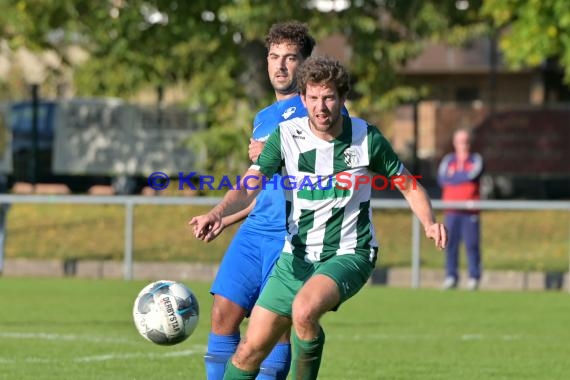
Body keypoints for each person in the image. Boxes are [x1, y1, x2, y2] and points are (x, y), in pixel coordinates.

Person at [190, 55, 447, 380]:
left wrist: (429, 222)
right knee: (248, 352)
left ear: (341, 99)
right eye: (313, 98)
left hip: (349, 252)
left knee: (304, 309)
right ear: (302, 99)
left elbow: (408, 185)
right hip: (295, 256)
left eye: (328, 98)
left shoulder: (366, 138)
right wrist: (217, 213)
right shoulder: (285, 136)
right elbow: (249, 184)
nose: (321, 106)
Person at [200, 21, 316, 380]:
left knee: (271, 331)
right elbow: (261, 185)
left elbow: (328, 171)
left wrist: (280, 151)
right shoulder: (263, 118)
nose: (280, 66)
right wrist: (224, 216)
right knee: (222, 312)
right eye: (273, 56)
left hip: (294, 237)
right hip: (255, 231)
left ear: (305, 65)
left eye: (290, 58)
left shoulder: (321, 108)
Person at [437, 128, 483, 291]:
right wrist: (461, 177)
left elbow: (472, 175)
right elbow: (442, 179)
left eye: (466, 142)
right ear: (455, 143)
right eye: (460, 142)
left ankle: (474, 277)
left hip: (470, 212)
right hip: (451, 211)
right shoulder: (448, 160)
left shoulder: (476, 159)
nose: (463, 145)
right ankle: (451, 276)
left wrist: (455, 177)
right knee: (450, 245)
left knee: (472, 245)